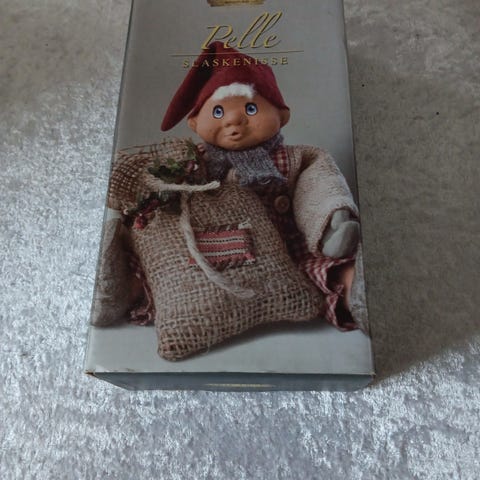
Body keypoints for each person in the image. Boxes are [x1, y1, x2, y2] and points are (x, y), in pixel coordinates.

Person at [160, 41, 362, 330]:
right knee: (182, 276)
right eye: (217, 112)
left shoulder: (296, 158)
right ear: (194, 122)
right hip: (224, 254)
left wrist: (331, 217)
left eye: (251, 108)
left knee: (328, 269)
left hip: (292, 249)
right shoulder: (195, 162)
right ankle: (127, 287)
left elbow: (319, 183)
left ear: (282, 114)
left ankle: (354, 289)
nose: (234, 120)